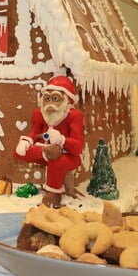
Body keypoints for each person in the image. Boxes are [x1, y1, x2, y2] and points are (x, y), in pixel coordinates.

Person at [13, 75, 85, 208]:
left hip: (69, 155)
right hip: (45, 151)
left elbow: (77, 147)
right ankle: (49, 152)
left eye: (55, 98)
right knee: (20, 152)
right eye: (47, 98)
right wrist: (27, 141)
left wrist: (61, 140)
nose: (50, 104)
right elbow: (34, 133)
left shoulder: (74, 116)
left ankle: (53, 193)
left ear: (67, 100)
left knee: (59, 160)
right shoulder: (39, 114)